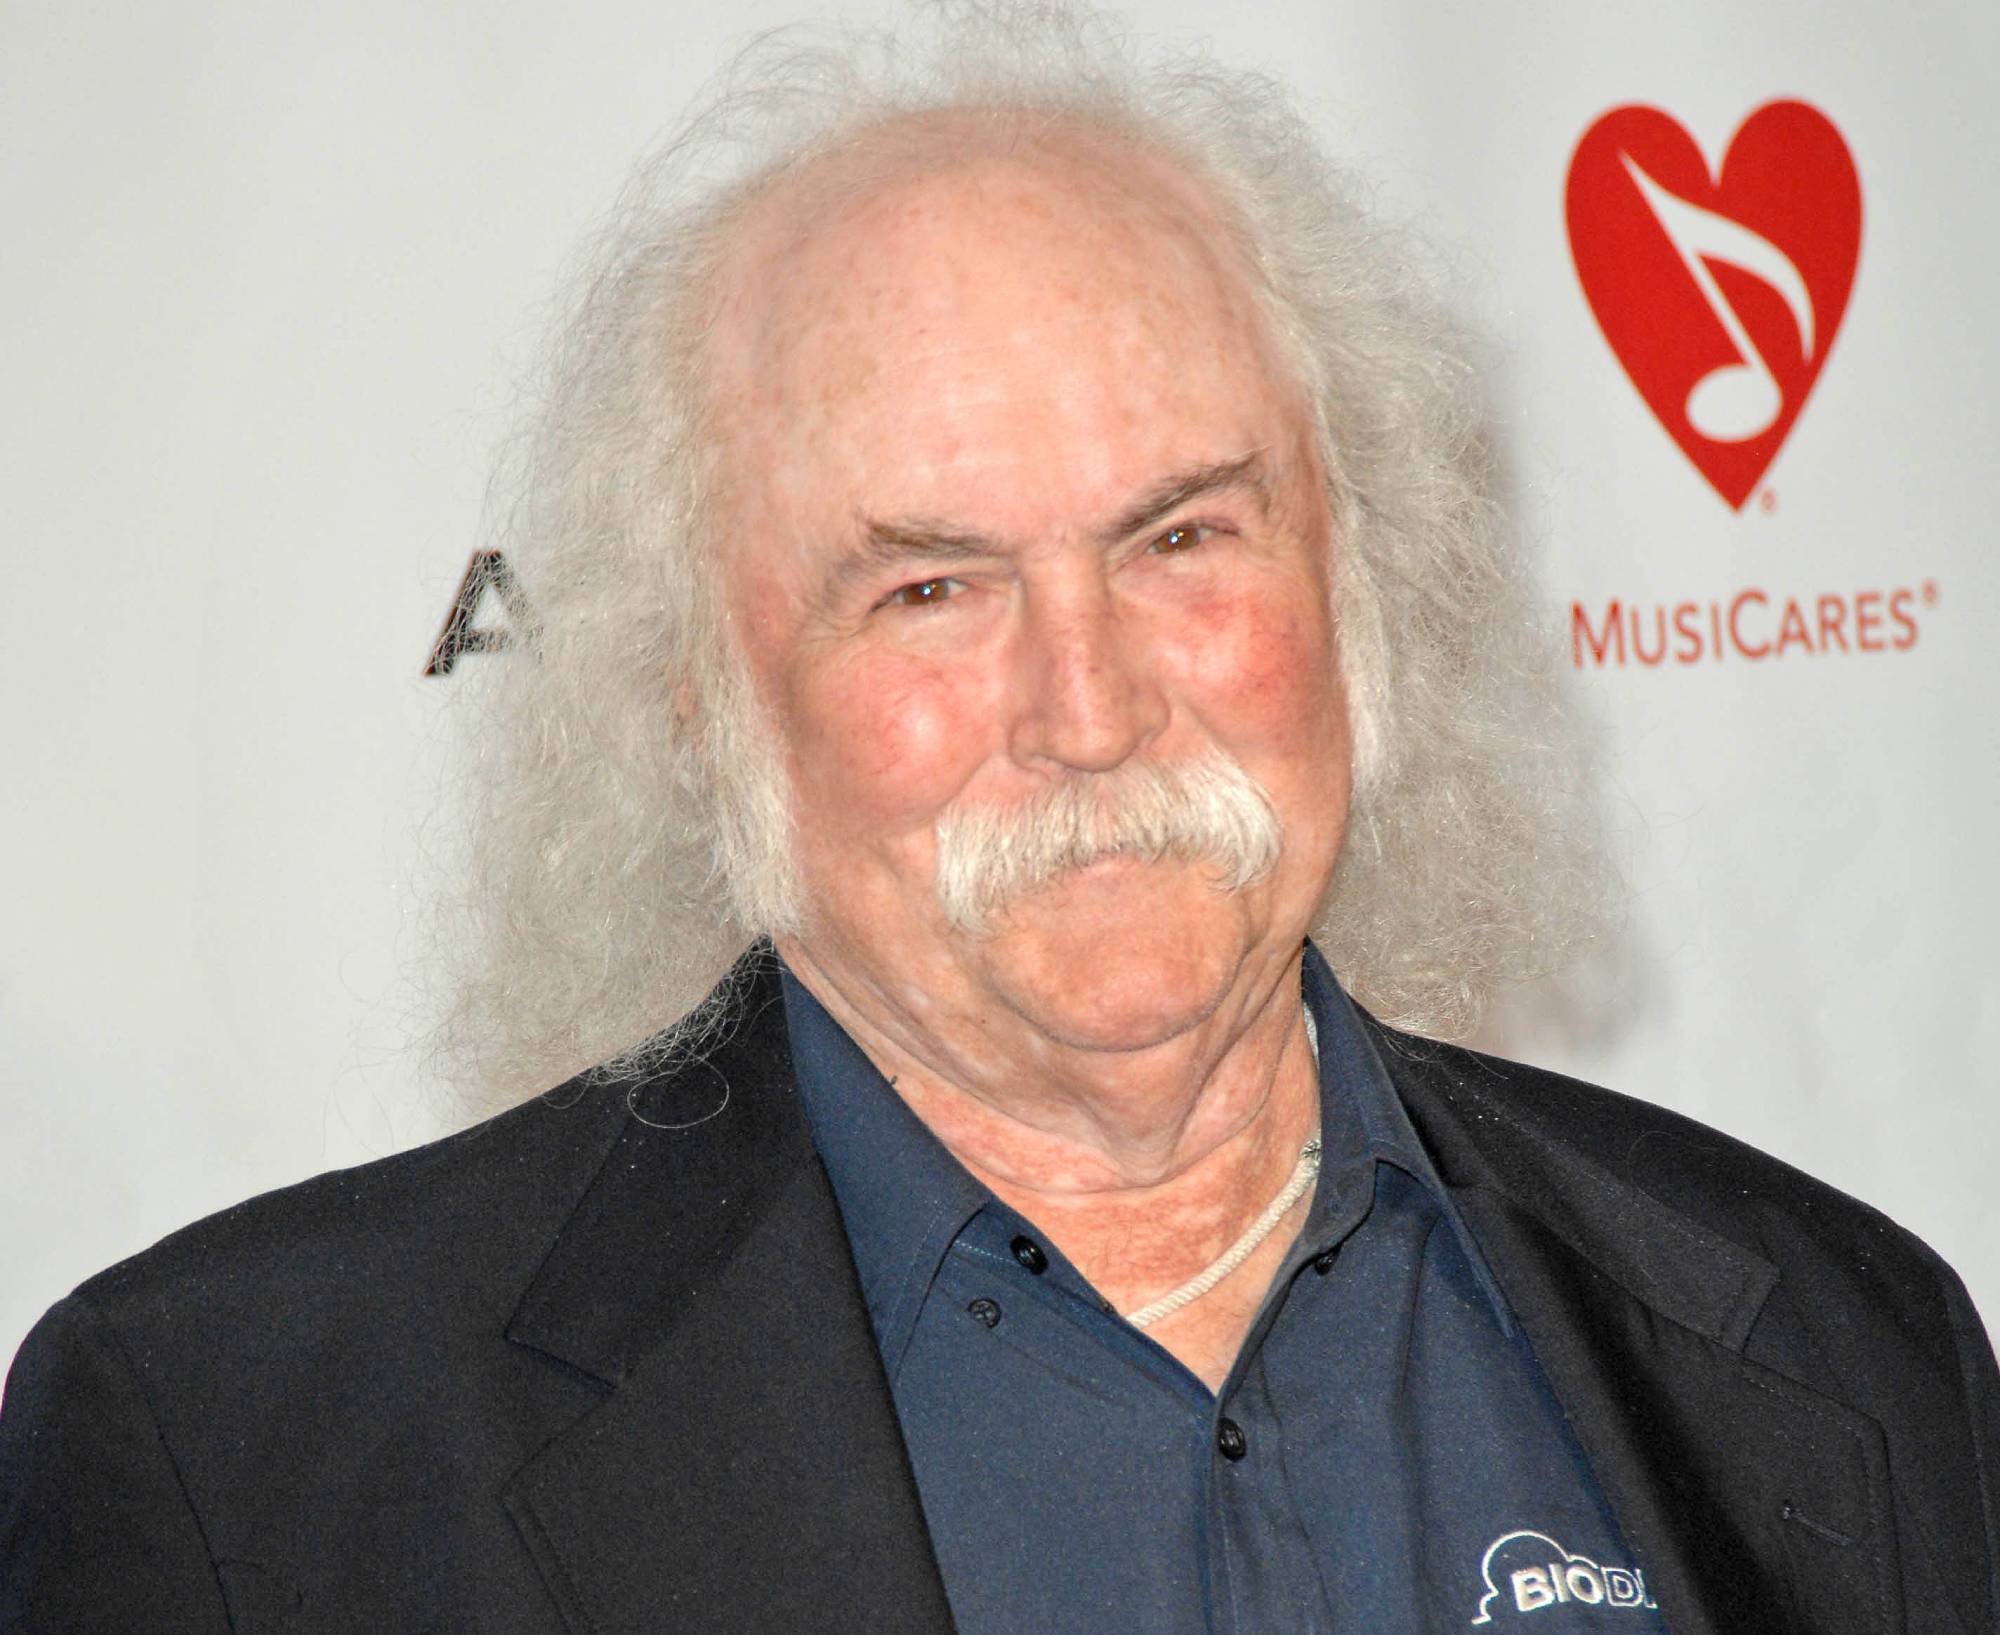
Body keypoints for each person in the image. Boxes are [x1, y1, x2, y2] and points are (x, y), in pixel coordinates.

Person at [4, 9, 1995, 1633]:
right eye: (928, 588)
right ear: (699, 695)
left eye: (1182, 536)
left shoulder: (1845, 1346)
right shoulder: (245, 1470)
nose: (1091, 703)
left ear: (1356, 580)